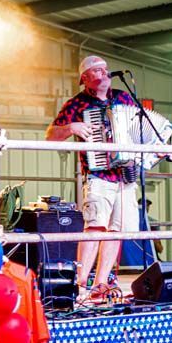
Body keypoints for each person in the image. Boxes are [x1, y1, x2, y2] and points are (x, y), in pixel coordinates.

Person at [45, 55, 137, 303]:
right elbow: (50, 136)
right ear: (84, 78)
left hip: (125, 175)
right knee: (96, 227)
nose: (104, 73)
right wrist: (71, 128)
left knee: (116, 231)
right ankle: (80, 284)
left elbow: (140, 128)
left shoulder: (124, 98)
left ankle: (100, 283)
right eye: (96, 71)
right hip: (98, 174)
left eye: (105, 69)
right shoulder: (77, 104)